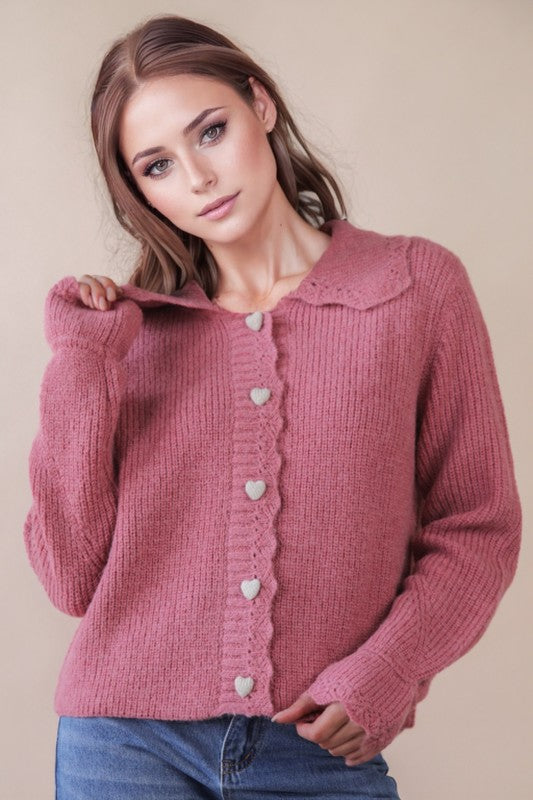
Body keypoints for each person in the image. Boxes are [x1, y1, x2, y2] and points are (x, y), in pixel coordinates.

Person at [23, 13, 522, 800]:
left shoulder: (413, 287)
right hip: (123, 746)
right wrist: (82, 362)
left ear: (259, 104)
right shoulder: (130, 335)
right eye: (157, 165)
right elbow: (68, 578)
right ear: (138, 189)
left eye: (210, 131)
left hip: (315, 748)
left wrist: (386, 673)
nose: (198, 177)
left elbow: (477, 524)